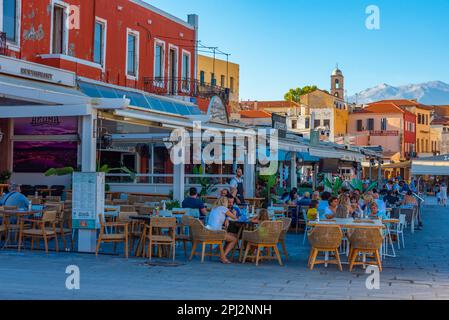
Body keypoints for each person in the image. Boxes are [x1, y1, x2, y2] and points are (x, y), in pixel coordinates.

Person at [205, 197, 238, 264]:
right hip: (216, 232)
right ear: (225, 202)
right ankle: (223, 256)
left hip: (209, 231)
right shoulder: (223, 208)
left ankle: (222, 254)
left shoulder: (214, 209)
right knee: (234, 239)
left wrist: (227, 219)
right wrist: (234, 213)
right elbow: (234, 217)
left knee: (232, 235)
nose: (228, 204)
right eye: (227, 202)